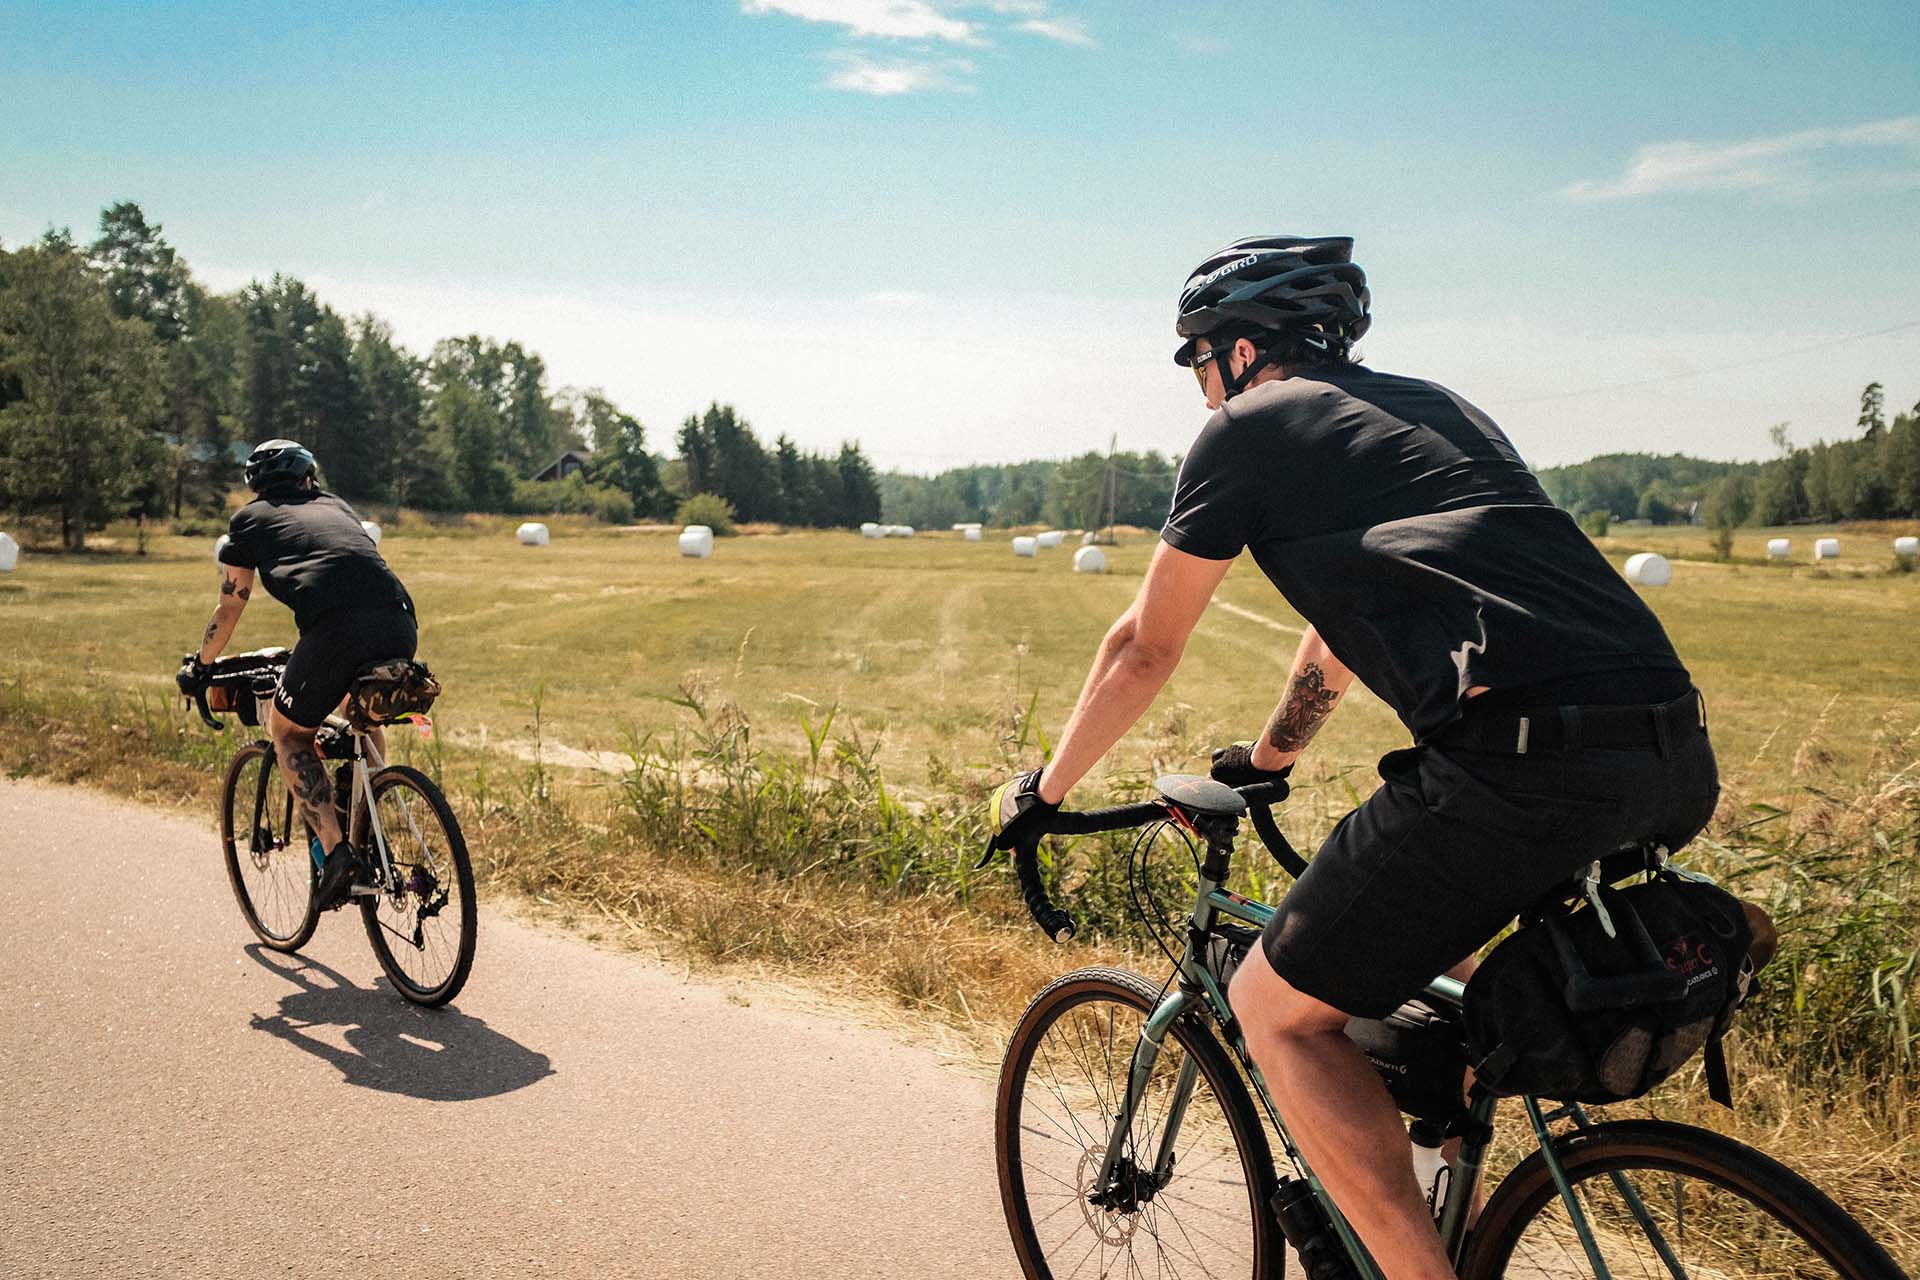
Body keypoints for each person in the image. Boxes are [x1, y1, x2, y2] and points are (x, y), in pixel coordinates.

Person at [988, 236, 1717, 1279]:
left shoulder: (1246, 431)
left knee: (1272, 1011)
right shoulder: (1433, 409)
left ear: (1242, 351)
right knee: (1453, 973)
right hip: (1670, 745)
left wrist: (1042, 792)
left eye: (1198, 359)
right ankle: (1447, 1191)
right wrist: (1271, 754)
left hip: (1521, 764)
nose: (1200, 387)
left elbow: (1144, 645)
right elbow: (1337, 629)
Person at [177, 440, 419, 912]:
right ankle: (364, 826)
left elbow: (230, 607)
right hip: (400, 620)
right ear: (309, 478)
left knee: (288, 734)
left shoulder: (248, 521)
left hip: (334, 630)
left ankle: (337, 855)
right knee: (359, 716)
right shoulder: (337, 506)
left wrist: (201, 665)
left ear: (257, 487)